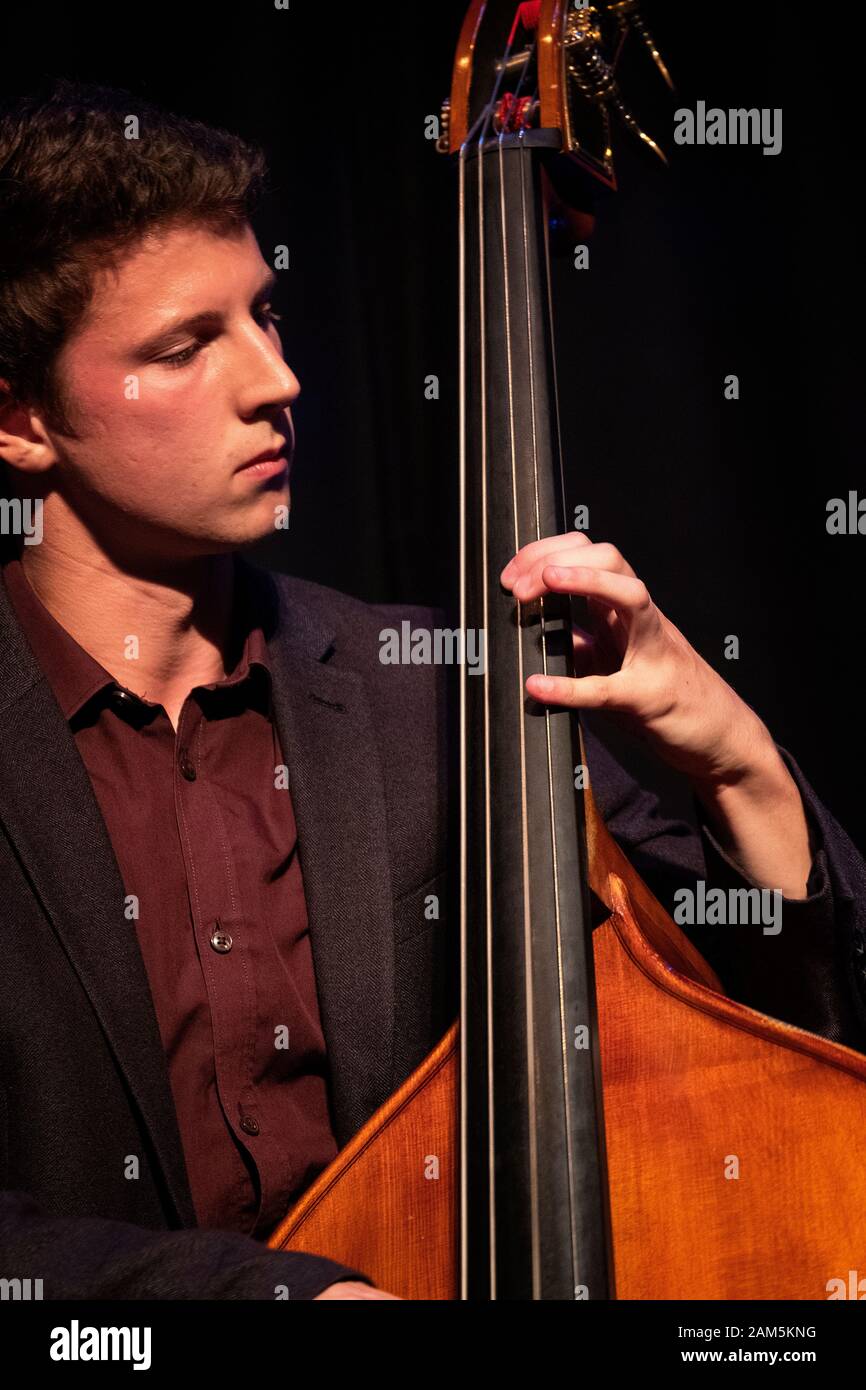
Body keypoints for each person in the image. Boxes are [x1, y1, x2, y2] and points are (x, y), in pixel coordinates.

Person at [1, 80, 864, 1302]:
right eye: (188, 346)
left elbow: (778, 1043)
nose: (276, 380)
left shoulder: (433, 690)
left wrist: (735, 762)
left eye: (265, 315)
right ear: (21, 421)